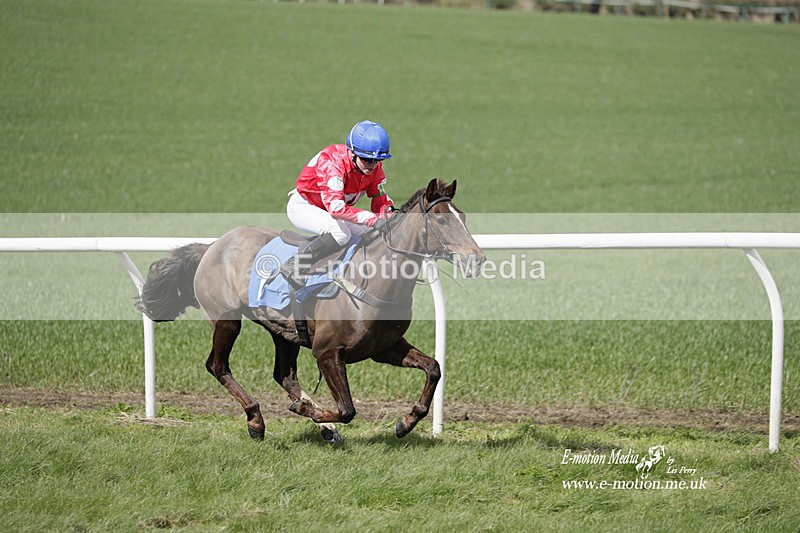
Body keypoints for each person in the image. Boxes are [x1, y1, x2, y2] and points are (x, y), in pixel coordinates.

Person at [279, 120, 395, 288]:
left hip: (330, 209)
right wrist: (372, 219)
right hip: (304, 206)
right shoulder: (332, 162)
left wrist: (390, 216)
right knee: (340, 234)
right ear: (352, 153)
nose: (372, 165)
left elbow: (379, 198)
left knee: (369, 233)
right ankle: (294, 266)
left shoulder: (374, 167)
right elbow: (336, 209)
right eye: (367, 160)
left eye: (377, 160)